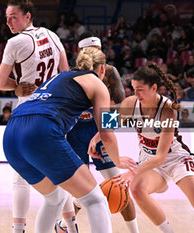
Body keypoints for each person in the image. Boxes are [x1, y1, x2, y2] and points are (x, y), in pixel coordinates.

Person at [3, 47, 136, 233]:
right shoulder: (98, 84)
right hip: (41, 131)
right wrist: (117, 159)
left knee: (54, 198)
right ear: (103, 69)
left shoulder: (60, 77)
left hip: (11, 134)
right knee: (95, 199)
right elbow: (107, 133)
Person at [89, 64, 194, 233]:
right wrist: (96, 138)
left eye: (140, 89)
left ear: (154, 88)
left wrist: (131, 173)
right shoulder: (130, 103)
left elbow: (161, 156)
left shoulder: (168, 109)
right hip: (150, 162)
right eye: (134, 89)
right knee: (137, 190)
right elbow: (108, 124)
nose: (136, 94)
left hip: (176, 159)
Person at [0, 1, 71, 232]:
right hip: (55, 112)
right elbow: (65, 74)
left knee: (20, 177)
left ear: (27, 16)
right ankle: (71, 226)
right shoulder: (52, 35)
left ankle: (19, 229)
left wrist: (17, 87)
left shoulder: (15, 42)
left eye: (13, 17)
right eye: (7, 17)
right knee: (64, 174)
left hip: (28, 113)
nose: (8, 22)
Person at [59, 32, 140, 233]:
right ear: (81, 53)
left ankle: (134, 231)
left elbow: (118, 107)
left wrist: (99, 134)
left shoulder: (109, 72)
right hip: (75, 134)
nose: (95, 54)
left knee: (119, 185)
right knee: (78, 188)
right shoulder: (71, 73)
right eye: (90, 51)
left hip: (98, 129)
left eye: (98, 50)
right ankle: (63, 225)